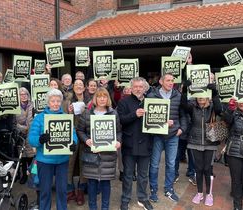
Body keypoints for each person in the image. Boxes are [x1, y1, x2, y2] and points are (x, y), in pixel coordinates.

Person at [29, 88, 78, 210]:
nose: (55, 103)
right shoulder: (39, 118)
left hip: (62, 160)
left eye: (58, 101)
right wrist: (40, 139)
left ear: (61, 102)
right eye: (53, 101)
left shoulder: (66, 117)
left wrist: (73, 143)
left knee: (62, 192)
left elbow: (73, 135)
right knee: (45, 192)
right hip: (44, 161)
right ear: (48, 102)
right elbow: (31, 139)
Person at [76, 87, 122, 210]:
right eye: (99, 96)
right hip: (91, 154)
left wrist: (118, 141)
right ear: (95, 98)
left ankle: (105, 208)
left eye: (104, 96)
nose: (102, 99)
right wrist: (86, 140)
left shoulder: (113, 113)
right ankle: (93, 207)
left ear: (108, 98)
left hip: (108, 154)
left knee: (106, 183)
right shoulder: (87, 113)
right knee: (92, 183)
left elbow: (118, 132)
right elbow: (79, 130)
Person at [181, 82, 223, 206]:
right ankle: (199, 193)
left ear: (207, 97)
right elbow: (183, 105)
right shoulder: (192, 107)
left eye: (203, 96)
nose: (200, 98)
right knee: (198, 169)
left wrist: (215, 93)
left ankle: (209, 194)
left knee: (207, 169)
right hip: (195, 142)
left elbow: (219, 109)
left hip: (210, 142)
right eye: (198, 96)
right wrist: (184, 90)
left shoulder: (212, 108)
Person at [147, 74, 187, 203]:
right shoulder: (152, 96)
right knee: (154, 164)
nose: (171, 83)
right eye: (168, 80)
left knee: (170, 164)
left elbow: (183, 115)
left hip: (173, 136)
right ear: (161, 81)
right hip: (157, 136)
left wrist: (182, 128)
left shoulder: (178, 96)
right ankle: (153, 190)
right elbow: (148, 117)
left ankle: (169, 189)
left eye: (172, 81)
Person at [117, 77, 153, 210]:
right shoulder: (123, 102)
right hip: (129, 144)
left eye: (140, 87)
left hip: (146, 144)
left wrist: (163, 123)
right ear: (131, 88)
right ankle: (125, 199)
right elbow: (120, 120)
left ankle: (143, 198)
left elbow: (156, 121)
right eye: (135, 86)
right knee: (127, 174)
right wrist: (134, 114)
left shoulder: (151, 102)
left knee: (143, 175)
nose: (138, 89)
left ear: (144, 88)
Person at [63, 79, 88, 205]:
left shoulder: (89, 101)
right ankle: (70, 190)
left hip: (85, 136)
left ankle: (80, 192)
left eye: (81, 85)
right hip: (71, 136)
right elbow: (63, 118)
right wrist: (69, 112)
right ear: (73, 87)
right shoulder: (68, 101)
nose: (79, 86)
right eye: (76, 84)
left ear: (84, 88)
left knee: (84, 164)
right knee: (69, 164)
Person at [16, 88, 35, 184]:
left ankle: (32, 174)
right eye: (21, 94)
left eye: (25, 94)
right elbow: (13, 122)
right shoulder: (15, 106)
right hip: (21, 134)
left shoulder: (33, 105)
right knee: (23, 157)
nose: (23, 96)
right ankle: (24, 174)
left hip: (32, 133)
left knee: (32, 156)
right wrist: (23, 128)